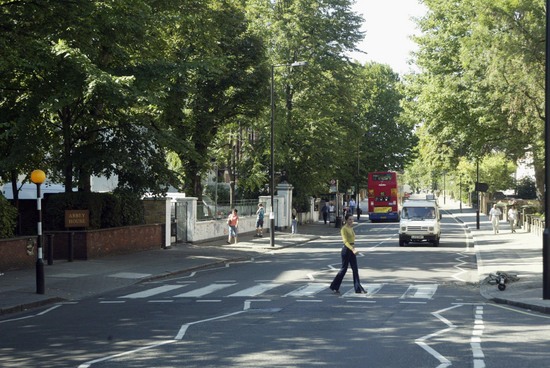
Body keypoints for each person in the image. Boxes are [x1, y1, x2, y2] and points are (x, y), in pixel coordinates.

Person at [329, 214, 366, 294]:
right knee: (344, 269)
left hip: (352, 249)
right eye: (349, 219)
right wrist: (352, 249)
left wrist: (353, 248)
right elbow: (345, 242)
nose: (351, 221)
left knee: (355, 269)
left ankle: (358, 288)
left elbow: (352, 240)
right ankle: (334, 286)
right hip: (346, 250)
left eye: (352, 219)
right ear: (346, 220)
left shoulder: (351, 228)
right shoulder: (344, 229)